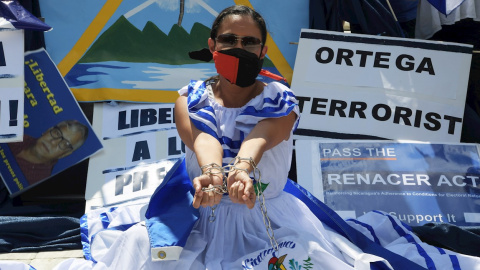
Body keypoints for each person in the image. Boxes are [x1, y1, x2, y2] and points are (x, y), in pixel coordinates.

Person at [53, 5, 480, 270]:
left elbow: (262, 135)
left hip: (268, 213)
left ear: (262, 50)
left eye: (249, 42)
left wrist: (241, 170)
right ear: (212, 44)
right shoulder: (190, 97)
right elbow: (203, 137)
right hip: (197, 209)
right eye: (229, 39)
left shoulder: (282, 100)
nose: (238, 47)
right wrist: (214, 174)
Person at [7, 119, 89, 185]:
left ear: (65, 154)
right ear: (48, 130)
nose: (53, 142)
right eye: (57, 133)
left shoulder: (34, 183)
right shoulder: (11, 134)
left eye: (65, 144)